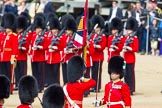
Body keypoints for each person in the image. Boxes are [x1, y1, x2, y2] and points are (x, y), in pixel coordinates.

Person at [29, 13, 48, 92]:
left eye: (40, 28)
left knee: (40, 73)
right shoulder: (33, 35)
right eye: (37, 28)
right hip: (34, 57)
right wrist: (30, 53)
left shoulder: (44, 36)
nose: (38, 30)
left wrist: (41, 47)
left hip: (40, 57)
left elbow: (46, 45)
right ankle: (35, 87)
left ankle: (41, 87)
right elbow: (30, 44)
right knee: (35, 73)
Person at [0, 12, 18, 94]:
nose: (6, 29)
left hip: (9, 57)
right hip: (2, 57)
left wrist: (13, 59)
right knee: (2, 74)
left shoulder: (14, 36)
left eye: (8, 27)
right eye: (6, 27)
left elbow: (14, 48)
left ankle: (9, 89)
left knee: (9, 74)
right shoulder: (3, 35)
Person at [45, 17, 65, 86]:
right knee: (49, 74)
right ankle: (50, 85)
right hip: (49, 58)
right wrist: (49, 47)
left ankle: (56, 85)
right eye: (53, 29)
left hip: (56, 58)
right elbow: (45, 45)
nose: (54, 31)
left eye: (55, 29)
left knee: (56, 74)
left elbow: (62, 46)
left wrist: (55, 48)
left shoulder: (60, 37)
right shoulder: (49, 37)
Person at [122, 17, 139, 95]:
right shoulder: (126, 38)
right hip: (125, 58)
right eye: (127, 29)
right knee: (125, 74)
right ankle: (127, 88)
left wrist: (129, 48)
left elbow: (136, 48)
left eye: (129, 29)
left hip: (131, 59)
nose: (128, 31)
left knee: (130, 74)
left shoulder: (134, 38)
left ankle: (131, 89)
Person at [90, 15, 107, 93]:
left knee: (97, 72)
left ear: (99, 28)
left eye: (97, 27)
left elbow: (103, 46)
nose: (95, 29)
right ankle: (93, 85)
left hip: (99, 57)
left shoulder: (102, 36)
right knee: (93, 72)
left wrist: (96, 46)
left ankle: (97, 87)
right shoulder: (92, 36)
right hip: (92, 56)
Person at [14, 15, 30, 90]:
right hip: (15, 57)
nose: (18, 29)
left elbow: (27, 47)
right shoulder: (15, 35)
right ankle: (17, 84)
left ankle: (23, 85)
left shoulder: (25, 36)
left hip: (22, 56)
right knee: (16, 71)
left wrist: (22, 48)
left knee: (22, 72)